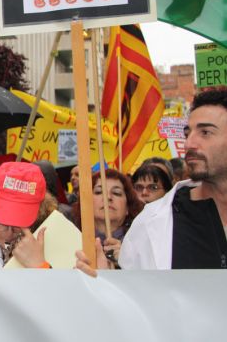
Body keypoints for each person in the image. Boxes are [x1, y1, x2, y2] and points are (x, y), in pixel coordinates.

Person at [77, 89, 227, 273]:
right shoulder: (151, 223)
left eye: (205, 132)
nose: (189, 144)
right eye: (187, 133)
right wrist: (106, 281)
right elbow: (136, 297)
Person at [73, 170, 143, 266]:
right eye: (99, 192)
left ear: (128, 207)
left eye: (117, 193)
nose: (108, 197)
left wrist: (127, 261)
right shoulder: (72, 242)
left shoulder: (142, 244)